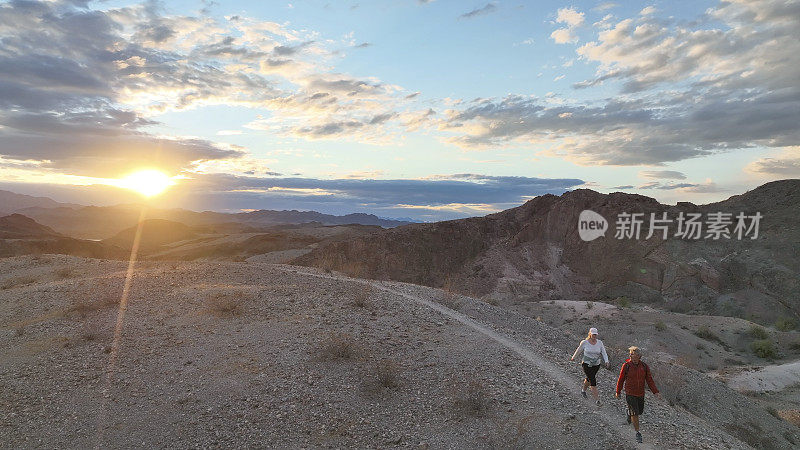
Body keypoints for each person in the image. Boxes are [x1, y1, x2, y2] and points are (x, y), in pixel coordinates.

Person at [615, 346, 661, 444]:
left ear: (639, 356)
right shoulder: (626, 365)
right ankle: (638, 433)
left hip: (640, 393)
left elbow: (649, 380)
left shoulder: (644, 366)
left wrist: (655, 392)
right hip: (630, 393)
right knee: (635, 413)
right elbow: (621, 379)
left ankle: (628, 413)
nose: (630, 355)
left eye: (632, 354)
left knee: (639, 411)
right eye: (630, 354)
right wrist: (618, 391)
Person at [571, 327, 610, 406]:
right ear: (590, 334)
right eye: (593, 334)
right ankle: (597, 400)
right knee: (593, 380)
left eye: (595, 334)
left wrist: (606, 361)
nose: (594, 336)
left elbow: (604, 352)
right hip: (586, 364)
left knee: (589, 378)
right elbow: (579, 350)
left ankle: (583, 390)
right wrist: (573, 357)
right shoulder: (584, 342)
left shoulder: (600, 343)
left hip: (596, 364)